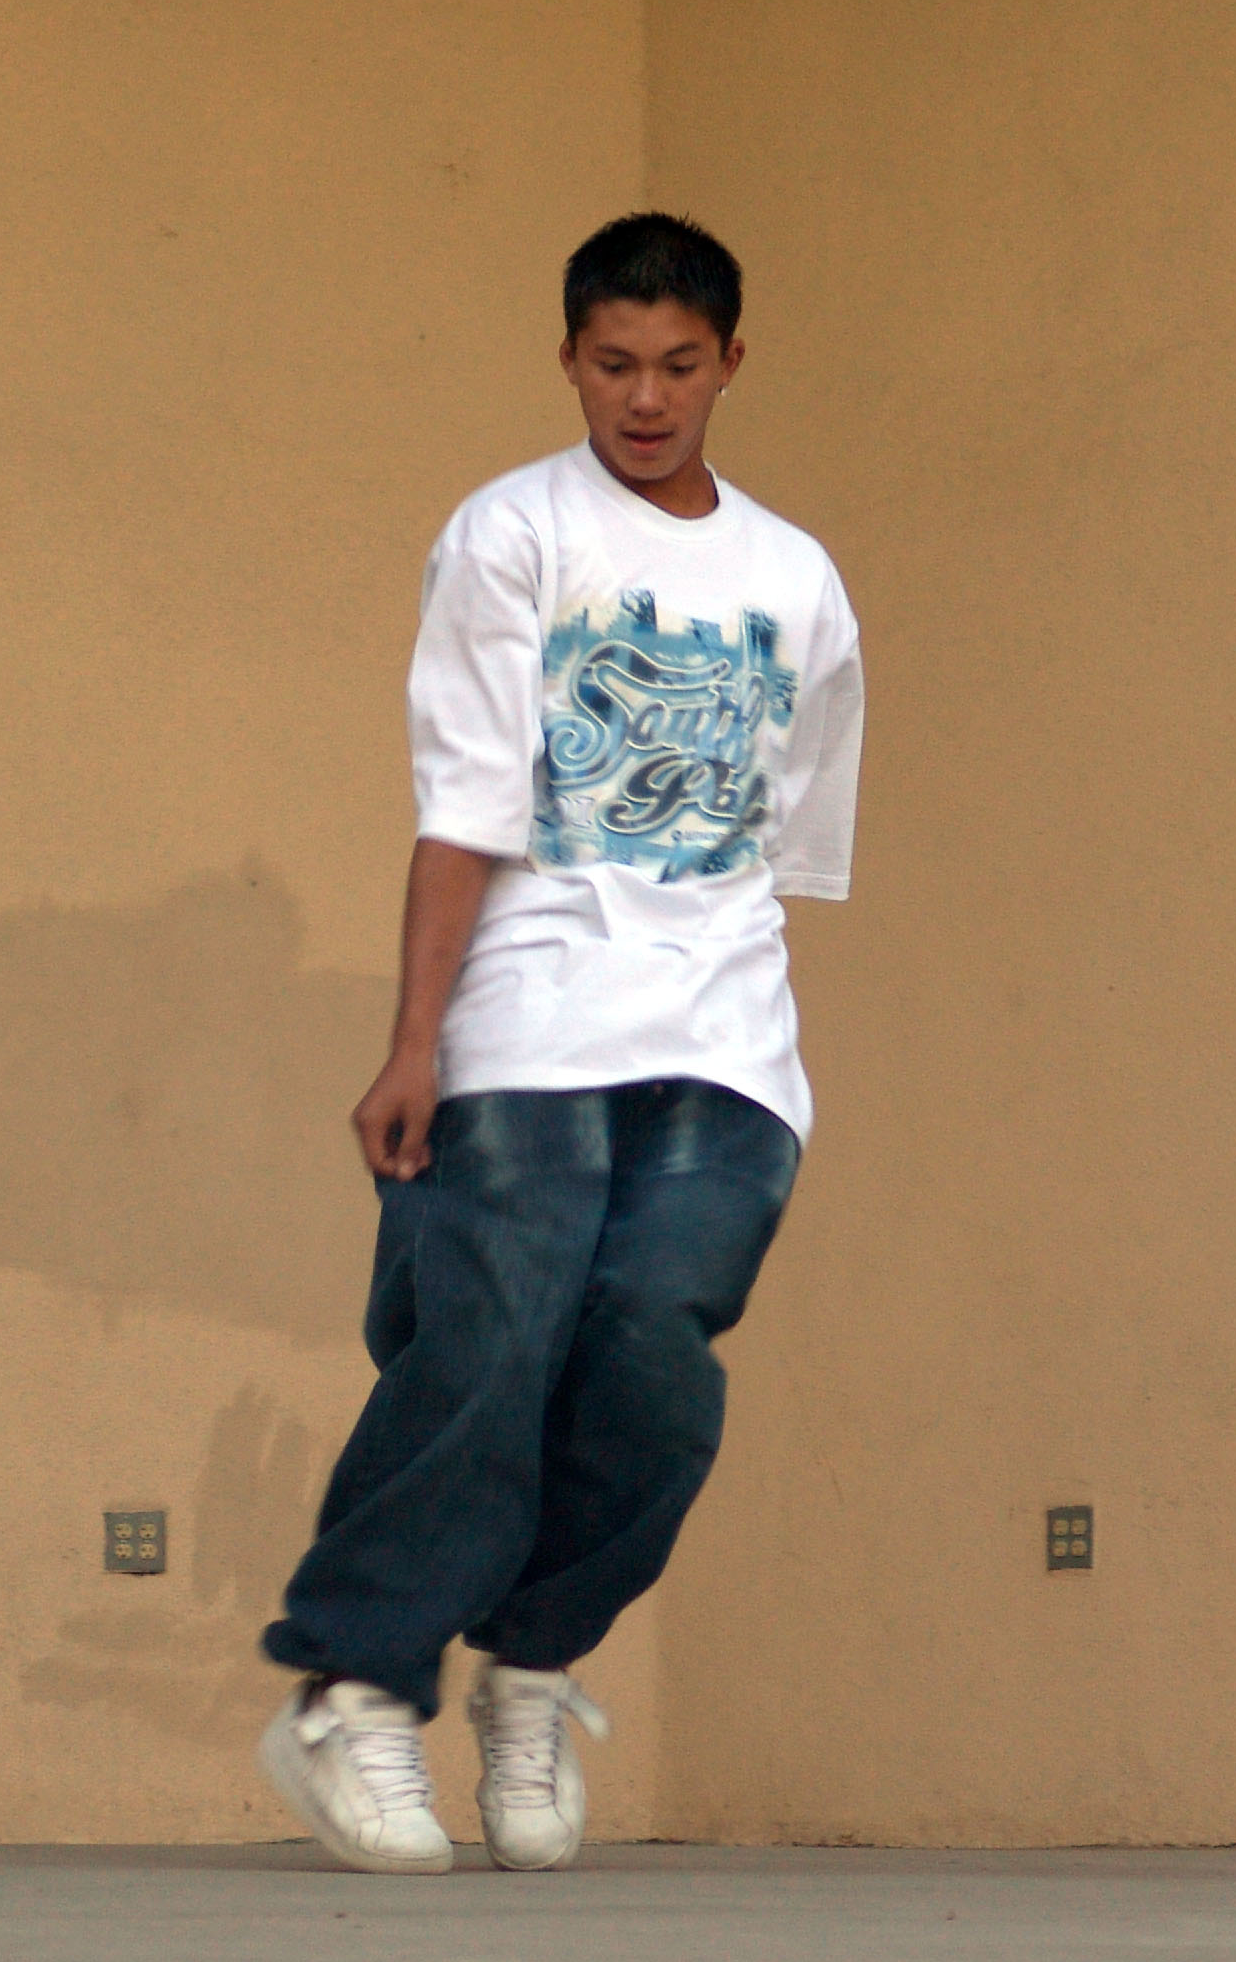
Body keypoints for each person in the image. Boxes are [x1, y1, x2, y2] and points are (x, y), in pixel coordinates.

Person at [255, 212, 865, 1874]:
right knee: (492, 1342)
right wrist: (416, 1043)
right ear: (569, 360)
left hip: (726, 1045)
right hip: (527, 1014)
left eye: (678, 366)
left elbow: (781, 842)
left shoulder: (798, 580)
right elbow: (463, 804)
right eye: (613, 365)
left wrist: (735, 1025)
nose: (645, 399)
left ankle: (530, 1665)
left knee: (656, 1369)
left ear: (731, 363)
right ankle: (355, 1690)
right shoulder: (511, 535)